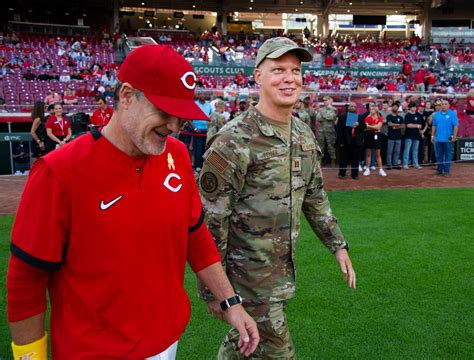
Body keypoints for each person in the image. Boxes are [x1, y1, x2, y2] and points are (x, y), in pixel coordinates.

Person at [7, 44, 258, 359]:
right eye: (164, 112)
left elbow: (194, 235)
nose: (173, 127)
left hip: (167, 342)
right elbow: (26, 278)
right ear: (126, 96)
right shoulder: (59, 171)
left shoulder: (177, 156)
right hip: (92, 351)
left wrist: (230, 303)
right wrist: (30, 356)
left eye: (180, 117)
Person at [197, 37, 356, 359]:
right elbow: (210, 222)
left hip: (279, 273)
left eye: (295, 70)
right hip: (246, 280)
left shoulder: (302, 132)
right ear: (258, 76)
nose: (289, 78)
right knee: (277, 352)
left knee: (243, 345)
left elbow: (314, 195)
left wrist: (337, 245)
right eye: (278, 70)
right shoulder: (234, 140)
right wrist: (216, 292)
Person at [336, 102, 366, 179]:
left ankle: (354, 174)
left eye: (354, 106)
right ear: (348, 107)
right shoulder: (342, 117)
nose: (353, 107)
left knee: (356, 159)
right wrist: (341, 142)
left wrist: (359, 125)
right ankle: (342, 173)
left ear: (356, 108)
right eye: (351, 106)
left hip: (356, 141)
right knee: (343, 158)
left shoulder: (360, 117)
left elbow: (364, 127)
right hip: (345, 141)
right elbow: (339, 130)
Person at [431, 99, 458, 176]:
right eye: (442, 104)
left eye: (446, 104)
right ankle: (439, 171)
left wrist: (454, 137)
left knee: (448, 155)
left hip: (449, 138)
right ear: (440, 105)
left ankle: (447, 171)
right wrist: (432, 136)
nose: (444, 105)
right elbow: (434, 126)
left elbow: (455, 126)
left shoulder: (452, 114)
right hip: (438, 138)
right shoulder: (436, 115)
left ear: (449, 105)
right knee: (438, 156)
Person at [363, 102, 387, 176]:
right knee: (368, 153)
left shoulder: (379, 118)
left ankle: (380, 169)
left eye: (373, 109)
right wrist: (374, 126)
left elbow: (378, 127)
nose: (371, 110)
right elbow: (366, 127)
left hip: (377, 136)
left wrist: (371, 126)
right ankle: (367, 169)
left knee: (378, 154)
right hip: (369, 136)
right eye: (371, 109)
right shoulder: (367, 118)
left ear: (376, 110)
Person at [316, 95, 338, 166]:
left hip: (330, 130)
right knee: (320, 146)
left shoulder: (333, 109)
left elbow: (330, 117)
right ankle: (320, 161)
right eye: (324, 100)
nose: (324, 102)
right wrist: (324, 115)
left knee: (330, 146)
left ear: (330, 101)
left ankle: (333, 161)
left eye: (326, 100)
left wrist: (322, 114)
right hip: (321, 130)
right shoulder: (321, 109)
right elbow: (318, 118)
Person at [402, 101, 423, 169]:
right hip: (408, 135)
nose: (414, 108)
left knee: (415, 150)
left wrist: (420, 131)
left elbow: (420, 125)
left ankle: (415, 164)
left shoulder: (419, 115)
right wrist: (416, 125)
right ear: (410, 108)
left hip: (416, 135)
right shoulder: (407, 115)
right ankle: (405, 164)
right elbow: (408, 125)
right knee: (407, 150)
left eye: (415, 107)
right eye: (413, 107)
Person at [385, 101, 404, 170]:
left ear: (398, 108)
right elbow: (389, 124)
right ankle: (389, 164)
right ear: (392, 107)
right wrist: (397, 124)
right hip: (390, 136)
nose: (395, 108)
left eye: (396, 107)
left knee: (397, 151)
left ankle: (395, 164)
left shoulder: (400, 117)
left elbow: (402, 126)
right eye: (394, 106)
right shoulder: (389, 116)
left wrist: (394, 126)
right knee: (389, 151)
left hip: (398, 137)